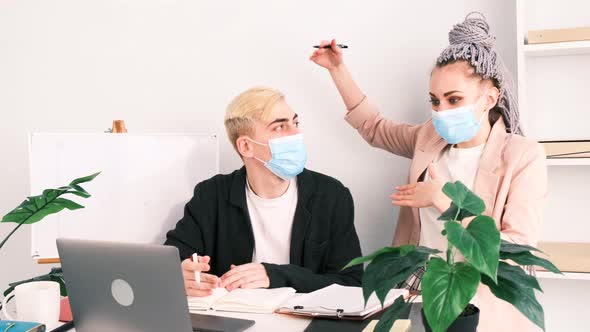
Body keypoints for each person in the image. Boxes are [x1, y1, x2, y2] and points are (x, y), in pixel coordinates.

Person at [310, 12, 547, 332]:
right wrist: (337, 69)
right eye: (435, 101)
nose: (441, 112)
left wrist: (443, 201)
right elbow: (374, 128)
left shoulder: (523, 156)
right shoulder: (429, 138)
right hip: (416, 294)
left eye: (454, 99)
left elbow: (515, 250)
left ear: (489, 98)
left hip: (482, 305)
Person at [164, 86, 363, 297]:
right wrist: (181, 272)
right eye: (280, 127)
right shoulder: (211, 194)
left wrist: (275, 275)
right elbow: (171, 258)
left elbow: (350, 283)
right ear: (246, 146)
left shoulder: (331, 195)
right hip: (234, 322)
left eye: (295, 123)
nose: (296, 134)